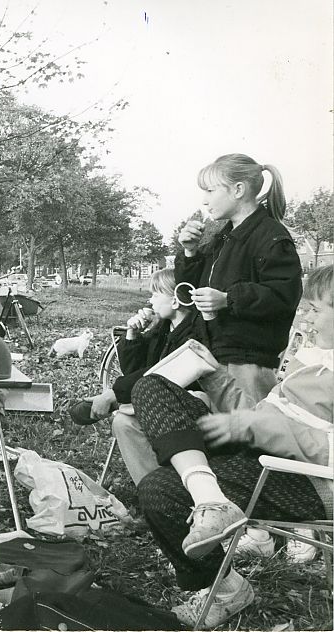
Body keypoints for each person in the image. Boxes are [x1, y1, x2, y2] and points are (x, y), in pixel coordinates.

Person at [127, 264, 332, 628]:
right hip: (259, 454)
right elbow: (260, 414)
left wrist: (257, 426)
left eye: (315, 309)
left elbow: (319, 445)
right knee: (151, 386)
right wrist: (215, 377)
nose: (304, 316)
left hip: (304, 480)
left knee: (158, 491)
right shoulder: (311, 357)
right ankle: (210, 498)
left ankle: (226, 590)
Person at [176, 154, 303, 556]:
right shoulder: (222, 238)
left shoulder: (270, 236)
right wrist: (190, 252)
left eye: (210, 190)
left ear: (238, 190)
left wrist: (230, 299)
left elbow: (286, 295)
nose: (205, 200)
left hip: (249, 358)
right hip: (218, 354)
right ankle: (244, 528)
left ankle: (280, 533)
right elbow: (190, 287)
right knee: (230, 442)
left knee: (256, 444)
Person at [71, 268, 205, 485]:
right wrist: (132, 335)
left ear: (174, 302)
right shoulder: (162, 329)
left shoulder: (193, 336)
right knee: (123, 423)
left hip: (184, 406)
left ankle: (117, 403)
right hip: (157, 402)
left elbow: (161, 373)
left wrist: (113, 394)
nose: (150, 300)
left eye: (155, 294)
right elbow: (134, 370)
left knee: (124, 415)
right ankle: (154, 488)